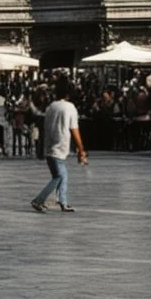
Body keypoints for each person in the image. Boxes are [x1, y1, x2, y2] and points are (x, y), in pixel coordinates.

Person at [31, 74, 87, 213]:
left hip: (50, 147)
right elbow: (74, 129)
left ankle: (63, 202)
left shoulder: (51, 107)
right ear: (69, 94)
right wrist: (81, 149)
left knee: (62, 175)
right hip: (61, 147)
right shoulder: (70, 107)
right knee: (59, 176)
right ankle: (38, 200)